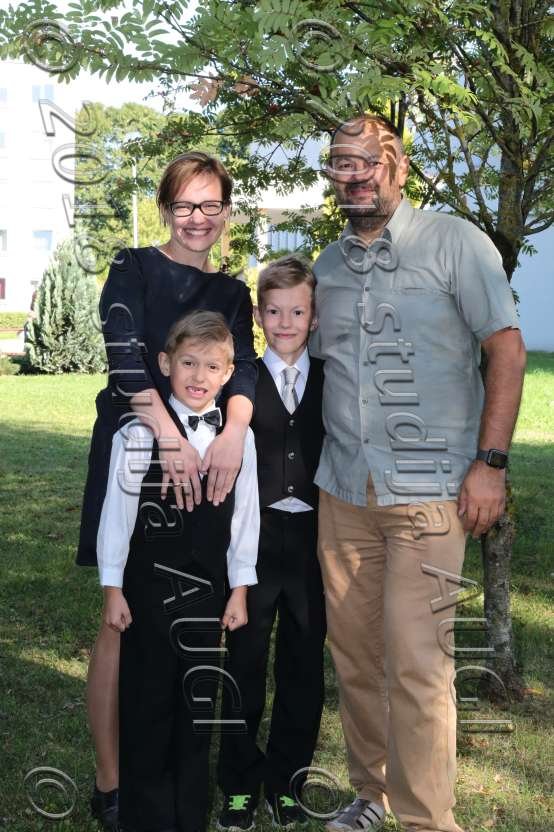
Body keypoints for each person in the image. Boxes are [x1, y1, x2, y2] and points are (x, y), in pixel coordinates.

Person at [310, 115, 526, 832]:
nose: (354, 175)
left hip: (431, 495)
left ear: (398, 167)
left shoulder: (455, 243)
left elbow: (506, 350)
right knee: (356, 660)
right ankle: (372, 796)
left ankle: (430, 820)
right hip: (345, 490)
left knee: (419, 664)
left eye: (366, 161)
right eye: (340, 163)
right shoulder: (327, 267)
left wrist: (490, 464)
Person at [78, 152, 258, 830]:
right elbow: (124, 354)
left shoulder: (234, 292)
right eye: (185, 204)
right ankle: (113, 783)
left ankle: (175, 771)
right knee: (119, 621)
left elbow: (243, 371)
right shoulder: (131, 266)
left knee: (185, 612)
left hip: (207, 453)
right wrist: (167, 435)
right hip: (136, 445)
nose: (197, 218)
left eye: (211, 205)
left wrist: (233, 432)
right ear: (165, 208)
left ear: (226, 212)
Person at [98, 310, 259, 832]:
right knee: (146, 704)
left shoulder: (239, 441)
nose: (198, 376)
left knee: (197, 708)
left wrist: (240, 589)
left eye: (212, 366)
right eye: (188, 363)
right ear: (165, 364)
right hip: (147, 591)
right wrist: (113, 588)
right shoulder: (138, 435)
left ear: (228, 373)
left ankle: (189, 817)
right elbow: (116, 517)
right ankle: (144, 817)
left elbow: (245, 519)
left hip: (209, 595)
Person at [216, 255, 327, 831]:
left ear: (314, 317)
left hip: (312, 546)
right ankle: (238, 784)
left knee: (303, 669)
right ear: (258, 316)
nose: (286, 322)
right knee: (245, 665)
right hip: (253, 546)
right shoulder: (241, 383)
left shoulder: (331, 379)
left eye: (298, 312)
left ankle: (287, 782)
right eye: (275, 311)